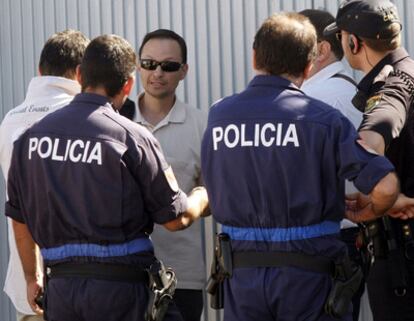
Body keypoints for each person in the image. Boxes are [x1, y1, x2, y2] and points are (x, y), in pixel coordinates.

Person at [201, 12, 402, 321]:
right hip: (309, 278)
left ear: (254, 56)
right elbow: (386, 186)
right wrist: (369, 210)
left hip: (242, 276)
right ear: (309, 65)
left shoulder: (219, 116)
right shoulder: (322, 119)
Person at [4, 34, 209, 321]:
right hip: (121, 291)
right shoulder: (131, 137)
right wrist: (202, 196)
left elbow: (19, 216)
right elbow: (175, 218)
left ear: (79, 75)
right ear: (128, 83)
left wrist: (31, 275)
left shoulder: (29, 138)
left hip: (61, 290)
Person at [325, 0, 414, 320]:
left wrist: (380, 199)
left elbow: (370, 139)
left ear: (352, 42)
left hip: (401, 258)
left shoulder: (390, 84)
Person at [0, 29, 89, 321]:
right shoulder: (81, 118)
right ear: (80, 72)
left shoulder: (9, 119)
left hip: (28, 284)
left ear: (40, 70)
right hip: (77, 283)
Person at [134, 29, 207, 321]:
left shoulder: (203, 125)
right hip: (124, 274)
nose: (158, 73)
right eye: (149, 64)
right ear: (137, 66)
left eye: (170, 65)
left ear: (184, 71)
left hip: (182, 277)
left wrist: (192, 205)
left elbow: (216, 195)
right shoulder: (115, 121)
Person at [299, 9, 364, 321]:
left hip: (326, 239)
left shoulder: (318, 98)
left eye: (295, 43)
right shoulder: (346, 91)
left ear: (322, 49)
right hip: (349, 237)